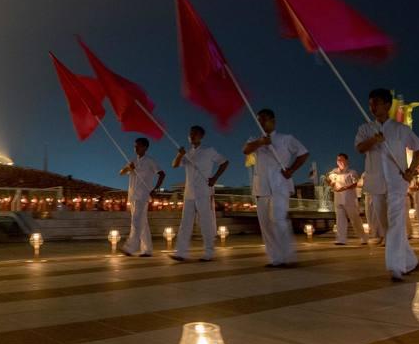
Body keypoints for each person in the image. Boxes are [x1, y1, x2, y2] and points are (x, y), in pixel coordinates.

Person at [356, 88, 419, 281]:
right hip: (375, 182)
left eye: (376, 103)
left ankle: (396, 267)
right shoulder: (365, 128)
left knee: (396, 223)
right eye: (370, 103)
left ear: (387, 105)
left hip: (397, 181)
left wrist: (411, 170)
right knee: (387, 226)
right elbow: (360, 148)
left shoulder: (401, 129)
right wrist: (373, 140)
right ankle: (411, 261)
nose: (372, 107)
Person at [242, 108, 308, 268]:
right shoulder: (255, 140)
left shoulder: (286, 139)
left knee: (278, 219)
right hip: (262, 186)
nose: (262, 122)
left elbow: (303, 153)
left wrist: (292, 170)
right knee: (265, 223)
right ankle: (275, 258)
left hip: (280, 183)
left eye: (265, 119)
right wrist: (261, 142)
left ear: (273, 120)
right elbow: (245, 150)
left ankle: (288, 255)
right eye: (259, 120)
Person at [171, 126, 228, 262]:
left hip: (204, 191)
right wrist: (180, 154)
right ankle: (181, 252)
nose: (192, 136)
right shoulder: (187, 153)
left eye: (195, 134)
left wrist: (215, 178)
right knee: (185, 223)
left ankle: (209, 252)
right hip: (189, 192)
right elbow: (174, 165)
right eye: (190, 133)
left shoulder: (208, 151)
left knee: (206, 222)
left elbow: (224, 162)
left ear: (201, 136)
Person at [119, 138, 164, 257]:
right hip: (133, 196)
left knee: (136, 221)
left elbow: (162, 174)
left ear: (145, 147)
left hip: (143, 196)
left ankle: (130, 247)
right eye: (135, 146)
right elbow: (121, 172)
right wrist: (129, 168)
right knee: (142, 223)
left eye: (138, 146)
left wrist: (156, 189)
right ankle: (147, 250)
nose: (135, 148)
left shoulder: (150, 161)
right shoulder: (132, 160)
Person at [327, 153, 364, 245]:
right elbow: (329, 179)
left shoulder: (352, 172)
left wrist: (344, 188)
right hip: (338, 199)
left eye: (341, 160)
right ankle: (341, 239)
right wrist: (331, 183)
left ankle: (363, 237)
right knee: (340, 220)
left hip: (350, 199)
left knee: (355, 219)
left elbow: (355, 184)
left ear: (346, 161)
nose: (339, 162)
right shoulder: (334, 171)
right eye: (338, 160)